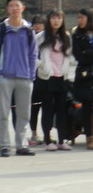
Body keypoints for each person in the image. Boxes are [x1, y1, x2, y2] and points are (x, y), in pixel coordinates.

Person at [0, 0, 38, 157]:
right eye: (11, 6)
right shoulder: (1, 30)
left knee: (24, 114)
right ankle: (4, 145)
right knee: (3, 113)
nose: (14, 8)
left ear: (23, 8)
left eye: (17, 5)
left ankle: (21, 145)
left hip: (25, 77)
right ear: (7, 9)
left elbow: (33, 54)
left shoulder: (29, 30)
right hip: (5, 78)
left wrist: (31, 75)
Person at [35, 10, 74, 150]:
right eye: (53, 18)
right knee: (47, 109)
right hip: (46, 77)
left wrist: (68, 70)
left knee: (61, 110)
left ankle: (62, 140)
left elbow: (70, 56)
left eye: (59, 18)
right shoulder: (40, 36)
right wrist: (42, 66)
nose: (56, 21)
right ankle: (48, 140)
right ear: (49, 20)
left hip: (62, 77)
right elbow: (32, 55)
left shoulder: (66, 36)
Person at [71, 8, 93, 149]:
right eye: (78, 17)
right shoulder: (77, 35)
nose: (80, 20)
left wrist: (88, 52)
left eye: (82, 17)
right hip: (84, 76)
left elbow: (85, 54)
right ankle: (89, 137)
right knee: (87, 107)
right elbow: (79, 56)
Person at [29, 14, 48, 145]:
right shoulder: (30, 38)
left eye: (40, 23)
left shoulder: (48, 39)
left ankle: (47, 133)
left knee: (46, 107)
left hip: (45, 76)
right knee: (34, 108)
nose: (37, 26)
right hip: (33, 77)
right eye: (35, 23)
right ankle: (34, 133)